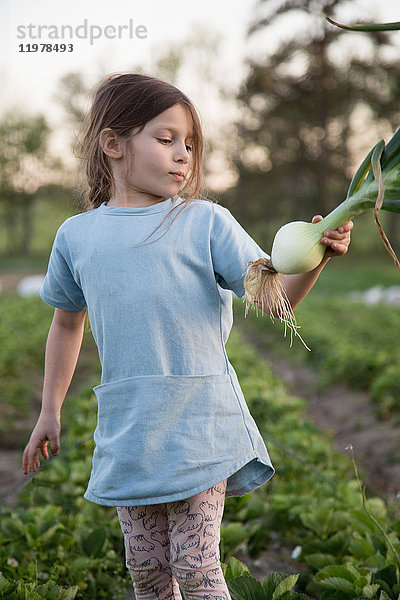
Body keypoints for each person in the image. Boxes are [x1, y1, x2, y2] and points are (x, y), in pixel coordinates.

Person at [22, 73, 352, 600]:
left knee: (196, 568)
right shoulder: (76, 236)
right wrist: (49, 411)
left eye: (191, 144)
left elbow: (277, 298)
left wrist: (317, 257)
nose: (184, 155)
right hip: (129, 427)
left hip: (200, 421)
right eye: (166, 138)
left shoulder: (205, 222)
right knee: (147, 572)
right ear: (113, 144)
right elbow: (66, 324)